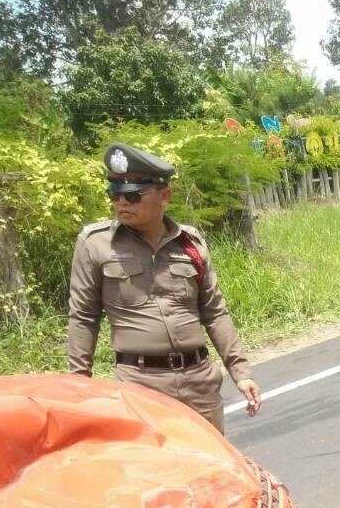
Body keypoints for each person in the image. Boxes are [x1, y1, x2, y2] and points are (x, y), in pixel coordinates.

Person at [67, 143, 261, 431]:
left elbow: (215, 313)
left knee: (210, 468)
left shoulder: (190, 244)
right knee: (155, 472)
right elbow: (83, 317)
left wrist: (241, 372)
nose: (121, 202)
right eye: (115, 194)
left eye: (132, 195)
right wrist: (79, 383)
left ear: (165, 196)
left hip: (199, 382)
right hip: (140, 384)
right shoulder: (96, 244)